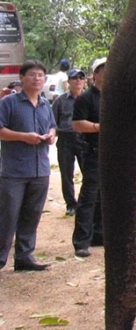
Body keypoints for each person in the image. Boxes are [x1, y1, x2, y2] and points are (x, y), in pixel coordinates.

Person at [0, 60, 56, 271]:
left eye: (40, 75)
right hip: (14, 171)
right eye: (31, 75)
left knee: (32, 215)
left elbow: (52, 126)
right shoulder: (8, 103)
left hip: (40, 169)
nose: (36, 79)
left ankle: (24, 257)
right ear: (22, 78)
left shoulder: (45, 104)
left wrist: (50, 135)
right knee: (7, 216)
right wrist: (23, 137)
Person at [71, 57, 106, 258]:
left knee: (104, 196)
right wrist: (98, 127)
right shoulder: (85, 98)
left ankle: (99, 235)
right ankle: (81, 241)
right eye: (104, 69)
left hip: (110, 153)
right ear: (95, 75)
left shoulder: (114, 96)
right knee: (89, 196)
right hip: (92, 152)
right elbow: (77, 124)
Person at [52, 68, 87, 216]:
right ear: (69, 82)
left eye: (81, 77)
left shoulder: (88, 99)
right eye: (74, 78)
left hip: (85, 139)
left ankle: (86, 203)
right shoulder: (60, 101)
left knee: (89, 172)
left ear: (85, 81)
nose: (78, 80)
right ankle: (71, 204)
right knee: (66, 174)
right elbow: (52, 122)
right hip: (65, 139)